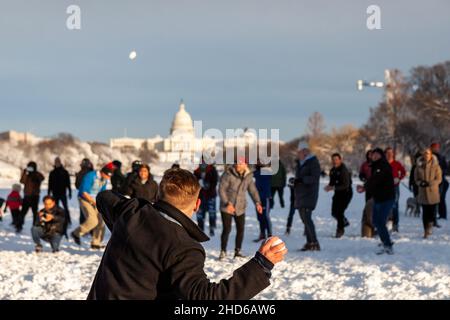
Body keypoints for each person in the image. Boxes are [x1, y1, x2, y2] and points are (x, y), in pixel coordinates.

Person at [87, 168, 287, 300]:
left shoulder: (132, 212)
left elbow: (105, 197)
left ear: (158, 196)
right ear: (197, 205)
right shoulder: (183, 247)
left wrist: (130, 221)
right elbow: (206, 298)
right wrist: (261, 265)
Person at [218, 157, 263, 260]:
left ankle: (237, 251)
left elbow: (253, 190)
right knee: (227, 229)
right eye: (237, 164)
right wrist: (227, 203)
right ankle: (223, 251)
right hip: (227, 207)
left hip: (240, 207)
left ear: (245, 165)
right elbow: (221, 189)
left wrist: (257, 202)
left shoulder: (248, 176)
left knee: (240, 229)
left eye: (240, 164)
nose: (238, 166)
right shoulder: (228, 174)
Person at [357, 148, 395, 255]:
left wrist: (364, 187)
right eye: (373, 155)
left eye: (377, 155)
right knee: (375, 221)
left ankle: (388, 245)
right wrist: (365, 187)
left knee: (380, 222)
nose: (375, 156)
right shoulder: (374, 166)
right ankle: (385, 241)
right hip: (378, 198)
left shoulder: (383, 165)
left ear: (381, 156)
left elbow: (376, 179)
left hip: (386, 198)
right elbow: (373, 180)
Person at [71, 163, 113, 249]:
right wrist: (93, 202)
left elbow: (102, 191)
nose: (108, 179)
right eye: (107, 176)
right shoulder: (91, 176)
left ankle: (96, 243)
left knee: (101, 221)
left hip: (96, 200)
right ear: (102, 172)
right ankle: (76, 233)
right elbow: (84, 192)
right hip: (85, 198)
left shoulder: (104, 179)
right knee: (93, 220)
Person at [294, 141, 321, 251]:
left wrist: (302, 180)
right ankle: (310, 242)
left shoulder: (313, 162)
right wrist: (295, 182)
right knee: (304, 219)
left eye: (304, 150)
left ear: (307, 151)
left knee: (307, 219)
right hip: (300, 195)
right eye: (300, 151)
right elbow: (300, 178)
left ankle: (314, 242)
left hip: (309, 194)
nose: (302, 153)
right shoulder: (300, 163)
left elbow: (315, 177)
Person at [415, 148, 442, 238]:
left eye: (428, 153)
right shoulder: (418, 166)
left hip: (433, 192)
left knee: (432, 212)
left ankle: (430, 226)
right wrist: (420, 183)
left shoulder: (436, 166)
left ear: (431, 155)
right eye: (425, 153)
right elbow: (416, 179)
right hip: (423, 193)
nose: (426, 155)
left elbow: (439, 179)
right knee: (425, 212)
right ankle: (426, 230)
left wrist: (430, 183)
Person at [324, 153, 353, 238]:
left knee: (339, 212)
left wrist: (333, 187)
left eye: (336, 159)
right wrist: (329, 186)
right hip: (337, 193)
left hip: (346, 193)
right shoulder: (332, 170)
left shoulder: (344, 170)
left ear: (340, 160)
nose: (335, 161)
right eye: (333, 160)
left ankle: (340, 230)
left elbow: (346, 185)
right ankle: (344, 221)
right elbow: (332, 182)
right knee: (334, 212)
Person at [193, 159, 219, 236]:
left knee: (212, 213)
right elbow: (193, 184)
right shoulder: (196, 172)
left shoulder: (212, 170)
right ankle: (200, 229)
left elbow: (215, 182)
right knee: (200, 214)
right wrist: (198, 184)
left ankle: (212, 227)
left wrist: (207, 185)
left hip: (210, 196)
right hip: (200, 197)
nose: (203, 164)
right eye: (202, 162)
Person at [48, 157, 72, 238]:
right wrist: (48, 193)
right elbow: (49, 183)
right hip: (55, 193)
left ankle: (68, 221)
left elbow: (68, 183)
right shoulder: (52, 172)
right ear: (54, 163)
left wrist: (70, 192)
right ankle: (55, 221)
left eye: (58, 162)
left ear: (60, 162)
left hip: (62, 193)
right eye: (56, 162)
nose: (57, 163)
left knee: (65, 207)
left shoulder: (64, 172)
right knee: (55, 208)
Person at [385, 147, 406, 232]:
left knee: (395, 205)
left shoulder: (397, 163)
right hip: (384, 187)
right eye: (387, 153)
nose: (389, 154)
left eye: (391, 153)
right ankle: (386, 223)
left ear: (393, 154)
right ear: (385, 154)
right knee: (385, 205)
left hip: (395, 187)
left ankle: (395, 225)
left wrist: (399, 178)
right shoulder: (383, 163)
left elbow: (403, 172)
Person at [19, 161, 45, 232]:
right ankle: (19, 225)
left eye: (31, 168)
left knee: (35, 212)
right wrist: (24, 173)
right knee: (23, 212)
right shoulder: (27, 175)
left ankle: (35, 226)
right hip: (27, 196)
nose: (30, 169)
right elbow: (22, 181)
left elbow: (42, 178)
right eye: (29, 167)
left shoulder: (37, 175)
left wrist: (35, 173)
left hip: (35, 196)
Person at [253, 161, 273, 242]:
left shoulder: (266, 172)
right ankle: (262, 234)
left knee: (265, 216)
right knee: (260, 216)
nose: (257, 163)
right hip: (257, 198)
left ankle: (269, 235)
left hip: (265, 197)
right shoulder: (256, 173)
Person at [430, 142, 448, 220]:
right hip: (431, 181)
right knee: (431, 199)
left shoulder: (441, 157)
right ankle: (432, 215)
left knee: (441, 198)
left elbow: (446, 169)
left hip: (442, 182)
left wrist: (439, 172)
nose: (436, 149)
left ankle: (442, 215)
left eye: (437, 147)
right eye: (434, 147)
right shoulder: (428, 157)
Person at [75, 158, 94, 224]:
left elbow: (77, 186)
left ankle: (84, 226)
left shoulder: (80, 173)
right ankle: (90, 228)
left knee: (83, 212)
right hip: (92, 195)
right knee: (92, 213)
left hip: (82, 195)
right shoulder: (92, 173)